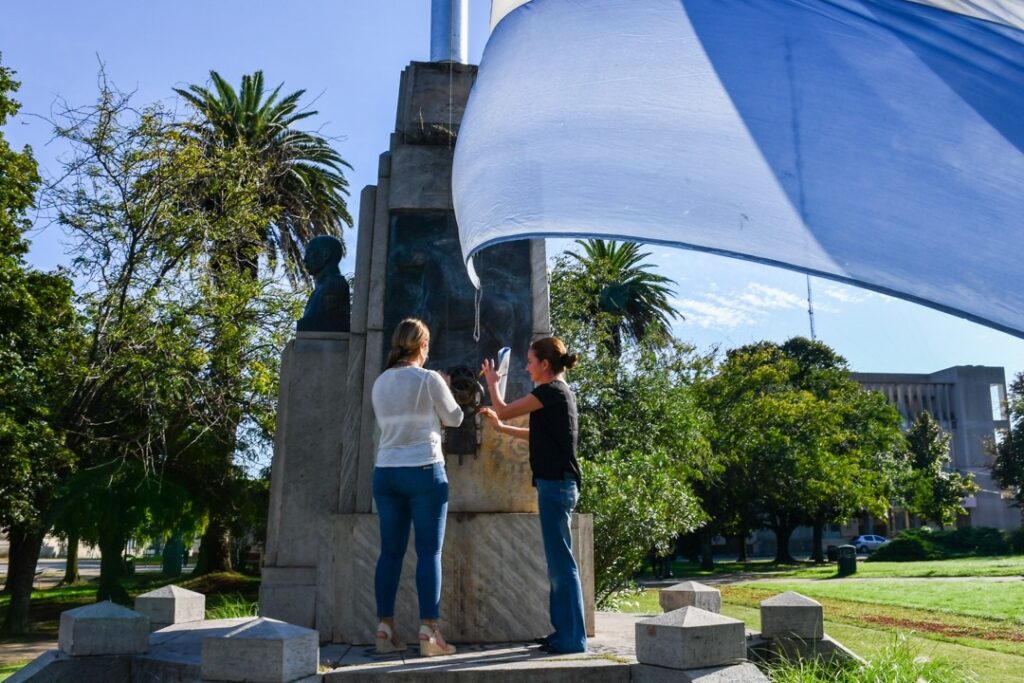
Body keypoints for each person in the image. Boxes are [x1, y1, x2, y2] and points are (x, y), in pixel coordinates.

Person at [479, 337, 587, 654]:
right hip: (556, 485)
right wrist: (500, 429)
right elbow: (535, 433)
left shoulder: (551, 391)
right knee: (557, 563)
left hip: (556, 486)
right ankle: (563, 633)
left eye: (529, 361)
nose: (527, 367)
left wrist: (492, 383)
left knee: (562, 565)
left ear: (544, 364)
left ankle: (572, 639)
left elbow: (504, 408)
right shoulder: (557, 395)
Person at [371, 318, 463, 656]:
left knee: (390, 553)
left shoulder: (380, 381)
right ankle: (429, 632)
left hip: (386, 472)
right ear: (423, 346)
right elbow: (454, 418)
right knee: (429, 553)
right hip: (424, 471)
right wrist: (447, 388)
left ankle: (384, 628)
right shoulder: (430, 379)